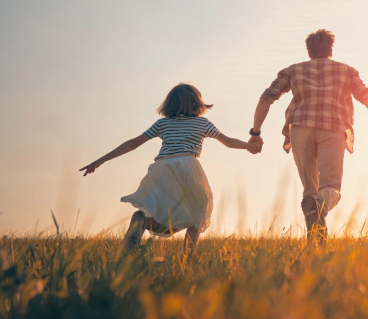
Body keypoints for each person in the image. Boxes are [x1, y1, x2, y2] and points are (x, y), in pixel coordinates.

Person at [249, 29, 368, 241]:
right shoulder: (346, 71)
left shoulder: (292, 71)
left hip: (300, 129)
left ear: (308, 51)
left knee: (310, 188)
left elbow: (266, 98)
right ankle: (318, 211)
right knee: (331, 187)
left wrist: (256, 133)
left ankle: (316, 239)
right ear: (330, 50)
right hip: (332, 127)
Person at [80, 83, 260, 252]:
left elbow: (134, 143)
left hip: (161, 168)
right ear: (197, 102)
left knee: (165, 213)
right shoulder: (202, 123)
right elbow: (228, 142)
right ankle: (187, 258)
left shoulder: (163, 124)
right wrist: (249, 146)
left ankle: (142, 223)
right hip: (188, 166)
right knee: (198, 211)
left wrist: (101, 160)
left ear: (169, 104)